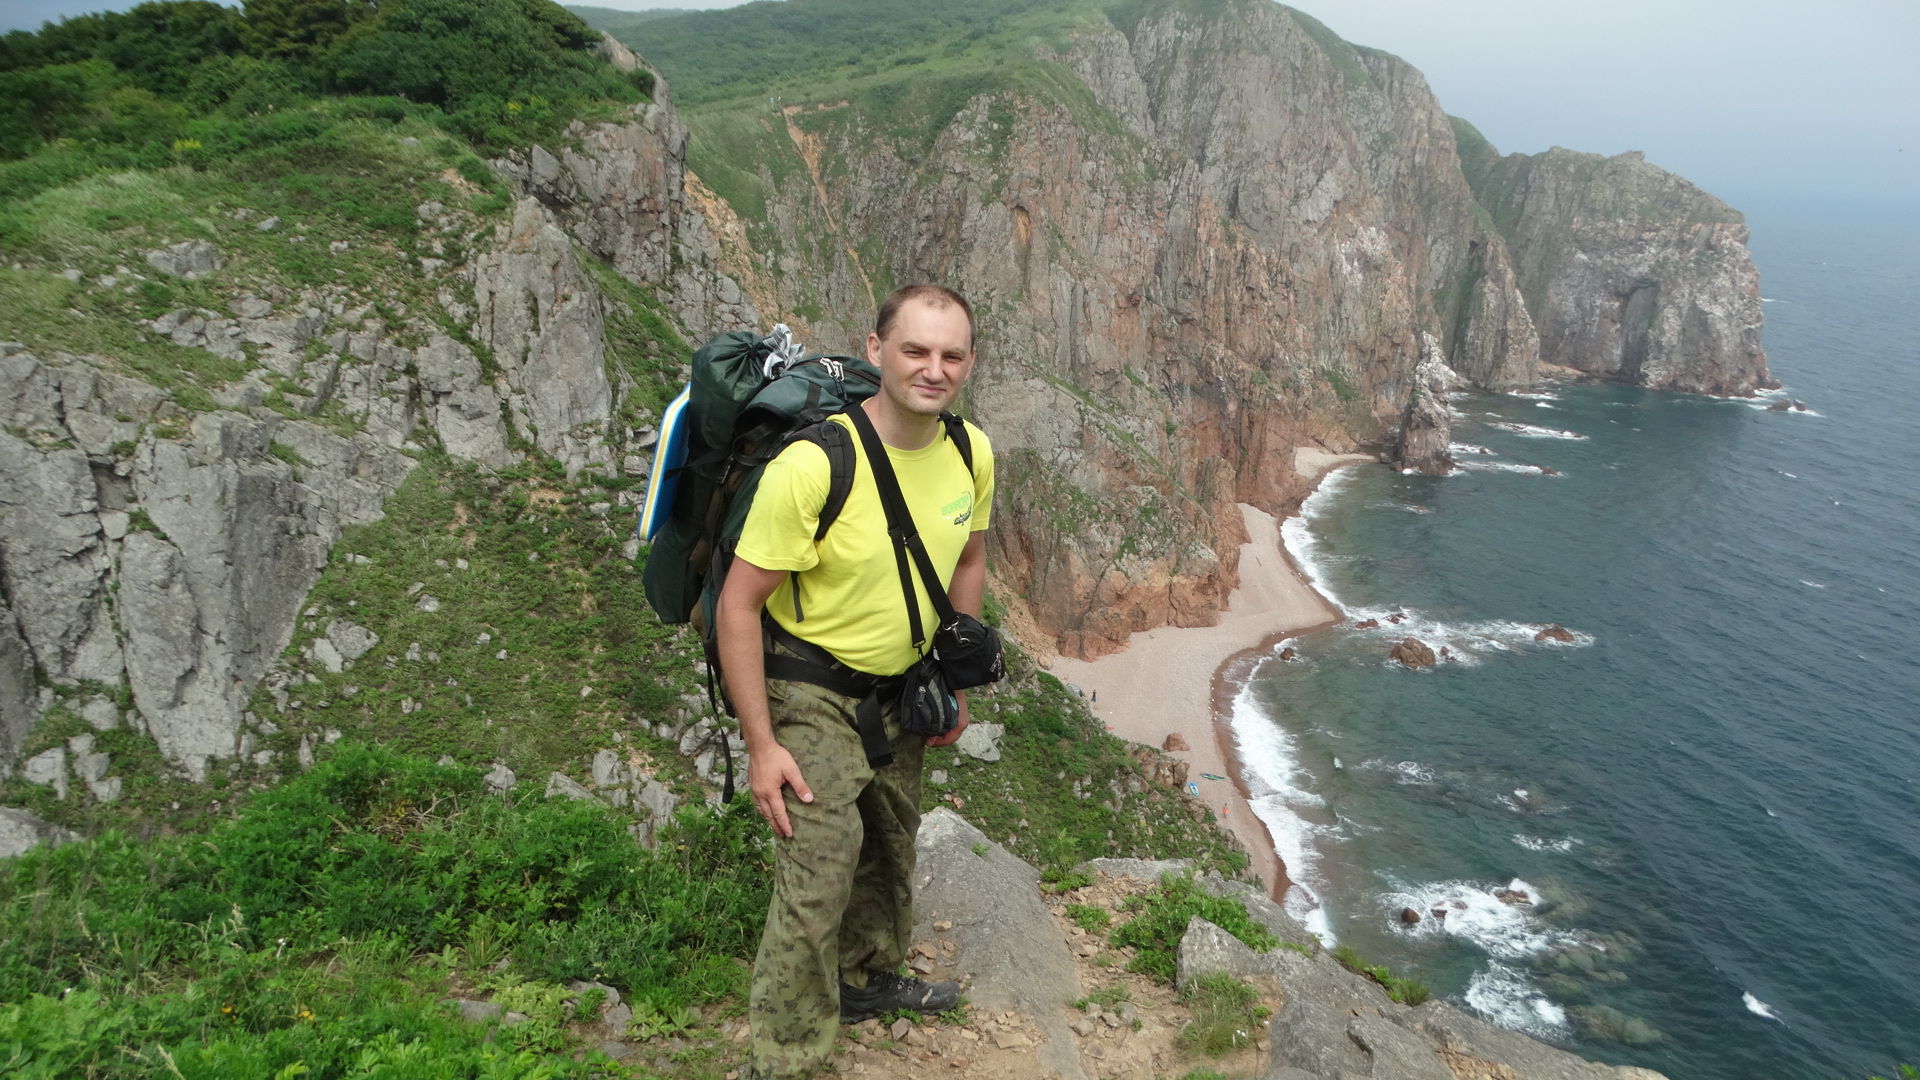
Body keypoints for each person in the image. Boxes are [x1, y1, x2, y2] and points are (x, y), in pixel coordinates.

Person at [716, 285, 994, 1080]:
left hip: (903, 686)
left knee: (890, 847)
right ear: (875, 351)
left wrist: (955, 678)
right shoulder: (815, 464)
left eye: (951, 355)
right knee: (819, 872)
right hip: (810, 689)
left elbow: (967, 559)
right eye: (916, 350)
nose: (933, 370)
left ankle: (867, 976)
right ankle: (787, 1061)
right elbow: (740, 606)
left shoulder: (972, 452)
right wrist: (762, 744)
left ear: (968, 363)